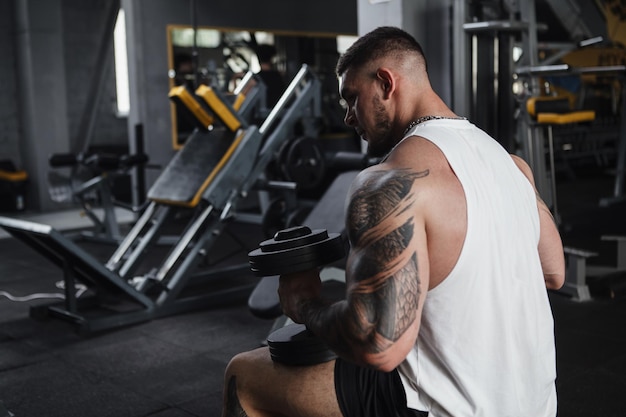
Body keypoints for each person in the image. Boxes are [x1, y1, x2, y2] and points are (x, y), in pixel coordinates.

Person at [221, 26, 565, 417]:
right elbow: (554, 272)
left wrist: (305, 305)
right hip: (536, 404)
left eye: (351, 98)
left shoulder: (390, 181)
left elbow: (379, 345)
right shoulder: (513, 165)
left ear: (386, 82)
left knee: (244, 374)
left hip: (444, 409)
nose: (349, 116)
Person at [255, 44, 286, 109]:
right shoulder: (279, 77)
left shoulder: (255, 79)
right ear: (271, 58)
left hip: (259, 117)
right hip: (278, 114)